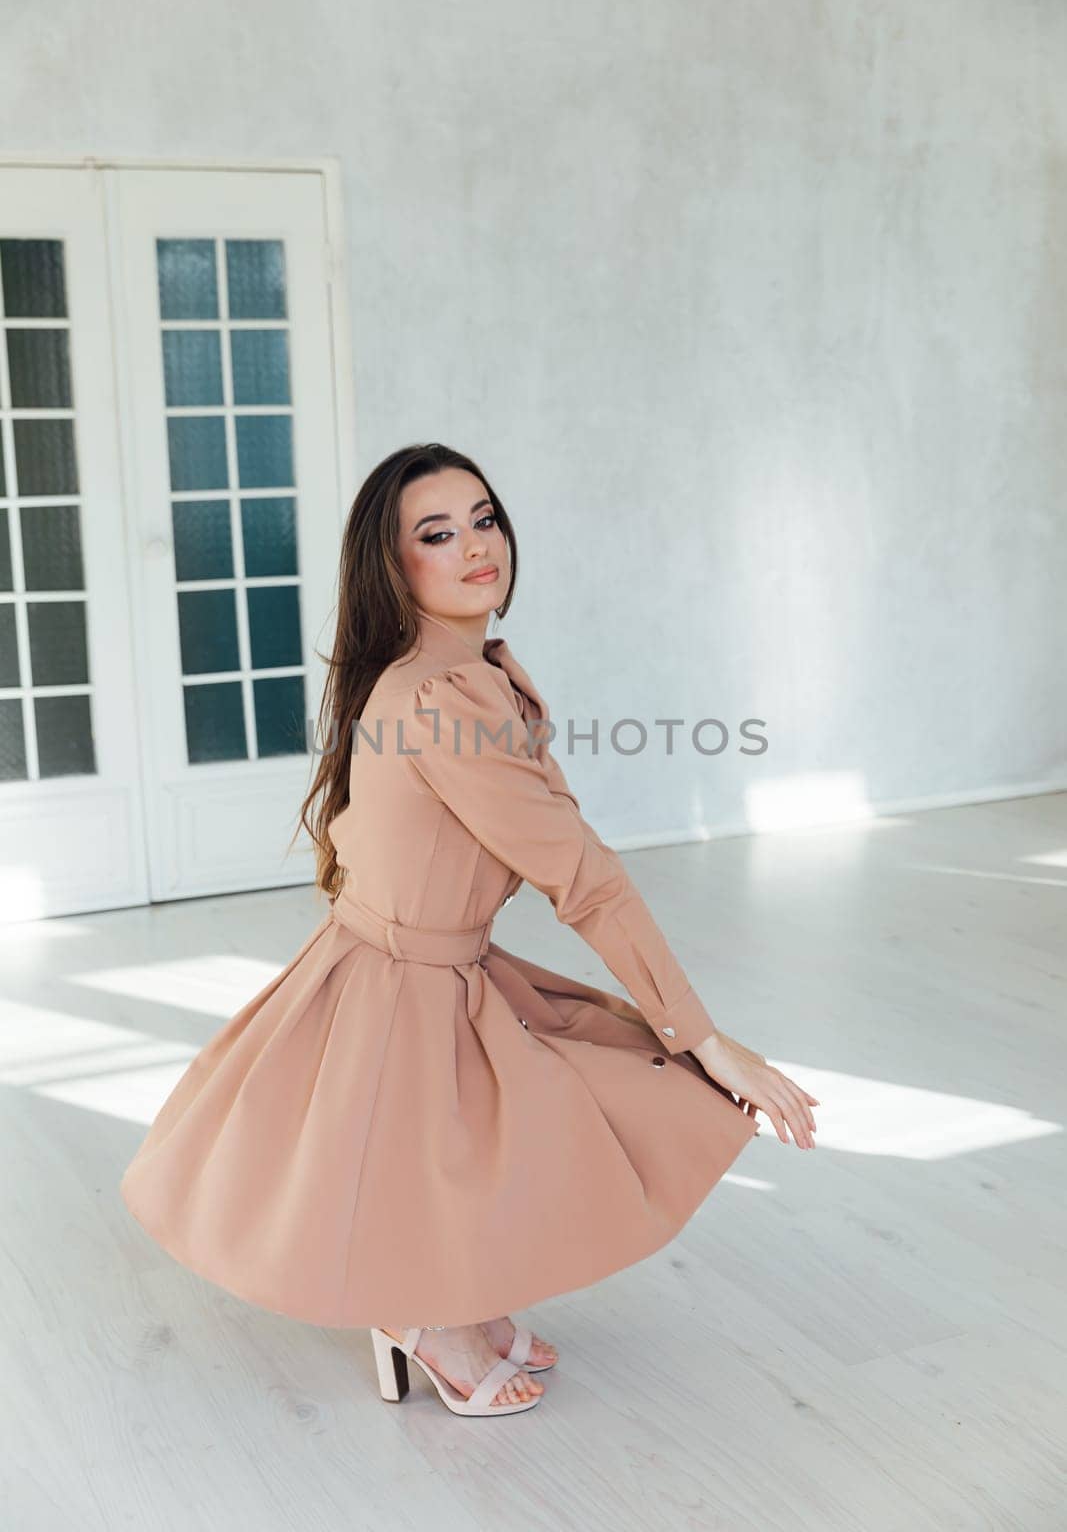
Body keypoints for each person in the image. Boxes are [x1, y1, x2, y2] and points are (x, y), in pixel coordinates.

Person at [120, 442, 819, 1419]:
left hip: (433, 958)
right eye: (435, 533)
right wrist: (702, 1034)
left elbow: (554, 842)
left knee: (497, 1121)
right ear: (391, 563)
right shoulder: (442, 696)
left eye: (482, 517)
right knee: (569, 1101)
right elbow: (580, 876)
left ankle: (449, 1294)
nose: (474, 546)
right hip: (400, 975)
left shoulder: (456, 670)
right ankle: (415, 1309)